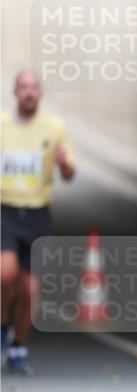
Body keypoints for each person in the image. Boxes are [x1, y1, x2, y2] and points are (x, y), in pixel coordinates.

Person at [1, 69, 76, 374]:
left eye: (34, 88)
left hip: (37, 215)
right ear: (15, 92)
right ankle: (3, 324)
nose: (29, 92)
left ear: (41, 94)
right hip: (5, 210)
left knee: (30, 290)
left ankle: (18, 346)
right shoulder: (2, 125)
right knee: (5, 275)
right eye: (24, 87)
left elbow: (70, 174)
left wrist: (64, 165)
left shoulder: (54, 127)